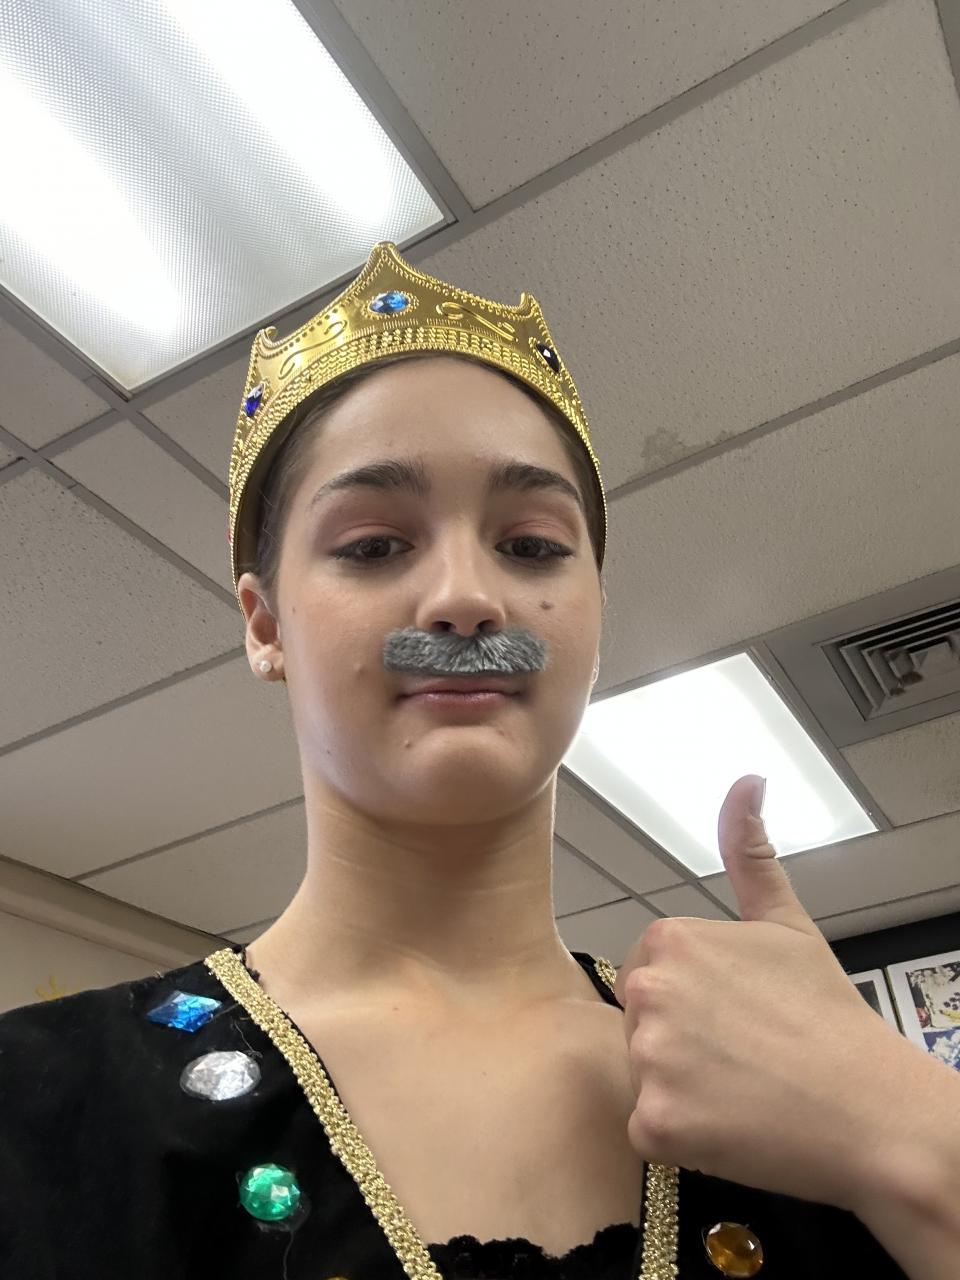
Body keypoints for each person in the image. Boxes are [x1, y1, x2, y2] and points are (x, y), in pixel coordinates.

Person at [0, 243, 918, 1278]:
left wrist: (915, 1132)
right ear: (264, 624)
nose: (467, 599)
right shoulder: (39, 1104)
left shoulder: (796, 1084)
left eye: (531, 546)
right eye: (373, 545)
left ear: (593, 611)